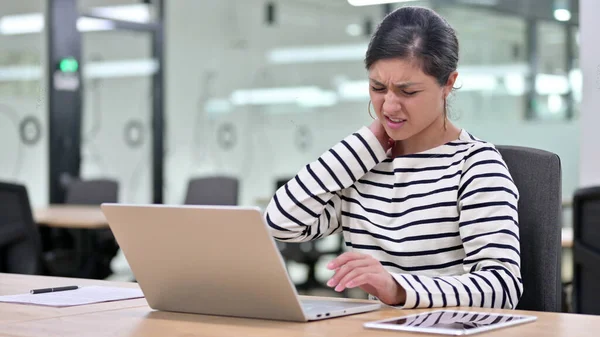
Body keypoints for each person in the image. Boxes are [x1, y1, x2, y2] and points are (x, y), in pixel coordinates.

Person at [264, 6, 522, 309]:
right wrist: (365, 145)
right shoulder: (363, 165)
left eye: (407, 91)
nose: (388, 106)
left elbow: (502, 287)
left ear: (448, 84)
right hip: (377, 328)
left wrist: (397, 288)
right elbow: (281, 223)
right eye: (377, 87)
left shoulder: (475, 165)